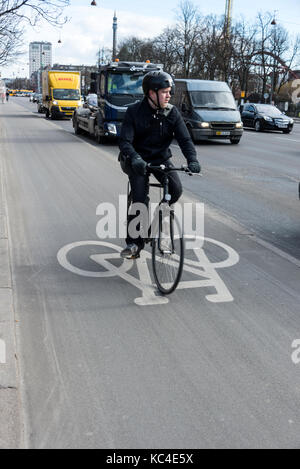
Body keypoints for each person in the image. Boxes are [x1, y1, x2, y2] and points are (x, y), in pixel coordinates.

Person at [119, 70, 201, 259]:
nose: (169, 95)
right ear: (151, 93)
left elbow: (185, 140)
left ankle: (158, 218)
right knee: (140, 200)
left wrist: (192, 160)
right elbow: (124, 142)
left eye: (169, 91)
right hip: (136, 159)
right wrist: (134, 158)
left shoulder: (172, 113)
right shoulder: (134, 112)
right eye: (165, 91)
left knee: (176, 189)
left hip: (160, 159)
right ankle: (134, 243)